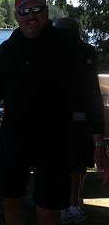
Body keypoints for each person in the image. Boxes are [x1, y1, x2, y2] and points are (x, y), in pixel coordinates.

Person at [0, 0, 109, 225]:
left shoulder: (70, 47)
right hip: (14, 141)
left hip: (55, 142)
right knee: (11, 200)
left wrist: (99, 145)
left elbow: (91, 97)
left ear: (46, 13)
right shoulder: (8, 50)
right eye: (24, 11)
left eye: (37, 9)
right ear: (17, 16)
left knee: (49, 209)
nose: (31, 16)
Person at [55, 17, 101, 224]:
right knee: (81, 164)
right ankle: (76, 202)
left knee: (70, 167)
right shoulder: (89, 51)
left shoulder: (56, 51)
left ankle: (69, 207)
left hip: (66, 120)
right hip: (87, 120)